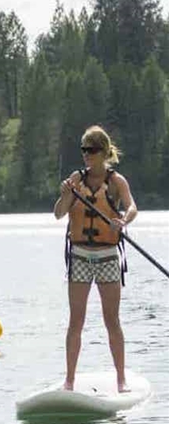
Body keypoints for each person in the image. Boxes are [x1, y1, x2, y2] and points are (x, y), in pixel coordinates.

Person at [53, 125, 138, 391]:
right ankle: (69, 380)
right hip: (79, 255)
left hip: (107, 257)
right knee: (75, 320)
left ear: (103, 152)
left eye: (91, 150)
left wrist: (123, 220)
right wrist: (66, 194)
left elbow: (132, 206)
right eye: (83, 150)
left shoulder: (116, 182)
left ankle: (121, 379)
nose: (86, 155)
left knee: (111, 320)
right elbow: (58, 213)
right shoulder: (75, 180)